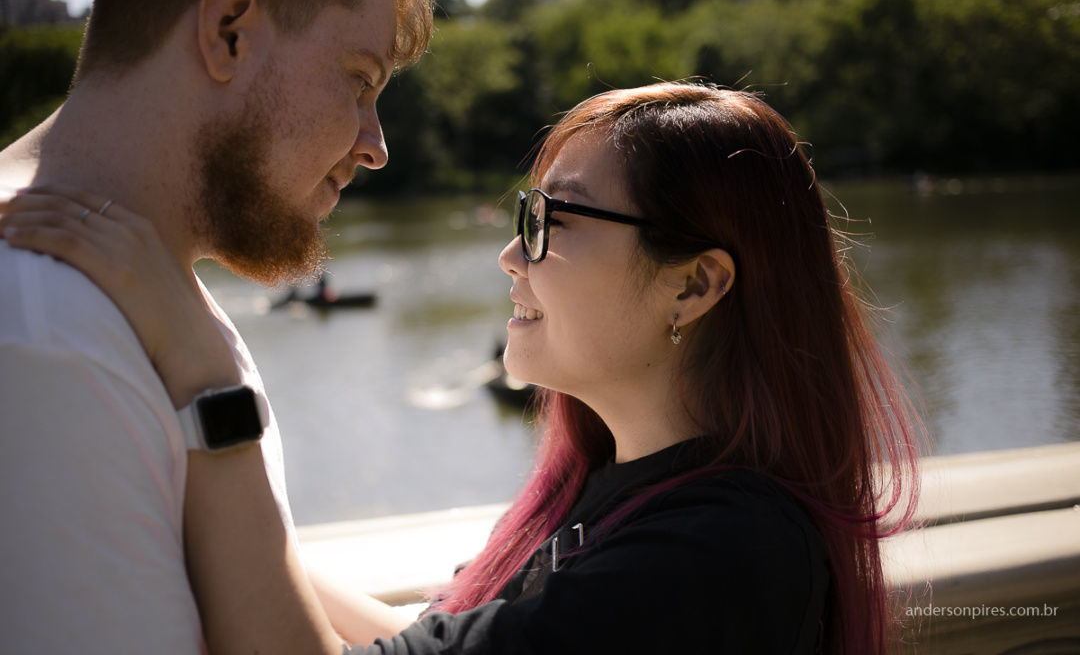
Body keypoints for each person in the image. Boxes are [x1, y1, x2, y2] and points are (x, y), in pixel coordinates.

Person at [0, 83, 922, 653]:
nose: (510, 258)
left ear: (695, 286)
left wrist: (210, 385)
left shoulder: (719, 559)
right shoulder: (616, 496)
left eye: (550, 222)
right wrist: (162, 508)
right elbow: (422, 641)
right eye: (524, 215)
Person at [0, 0, 432, 651]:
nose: (375, 145)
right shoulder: (47, 329)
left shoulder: (131, 294)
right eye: (359, 81)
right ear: (229, 31)